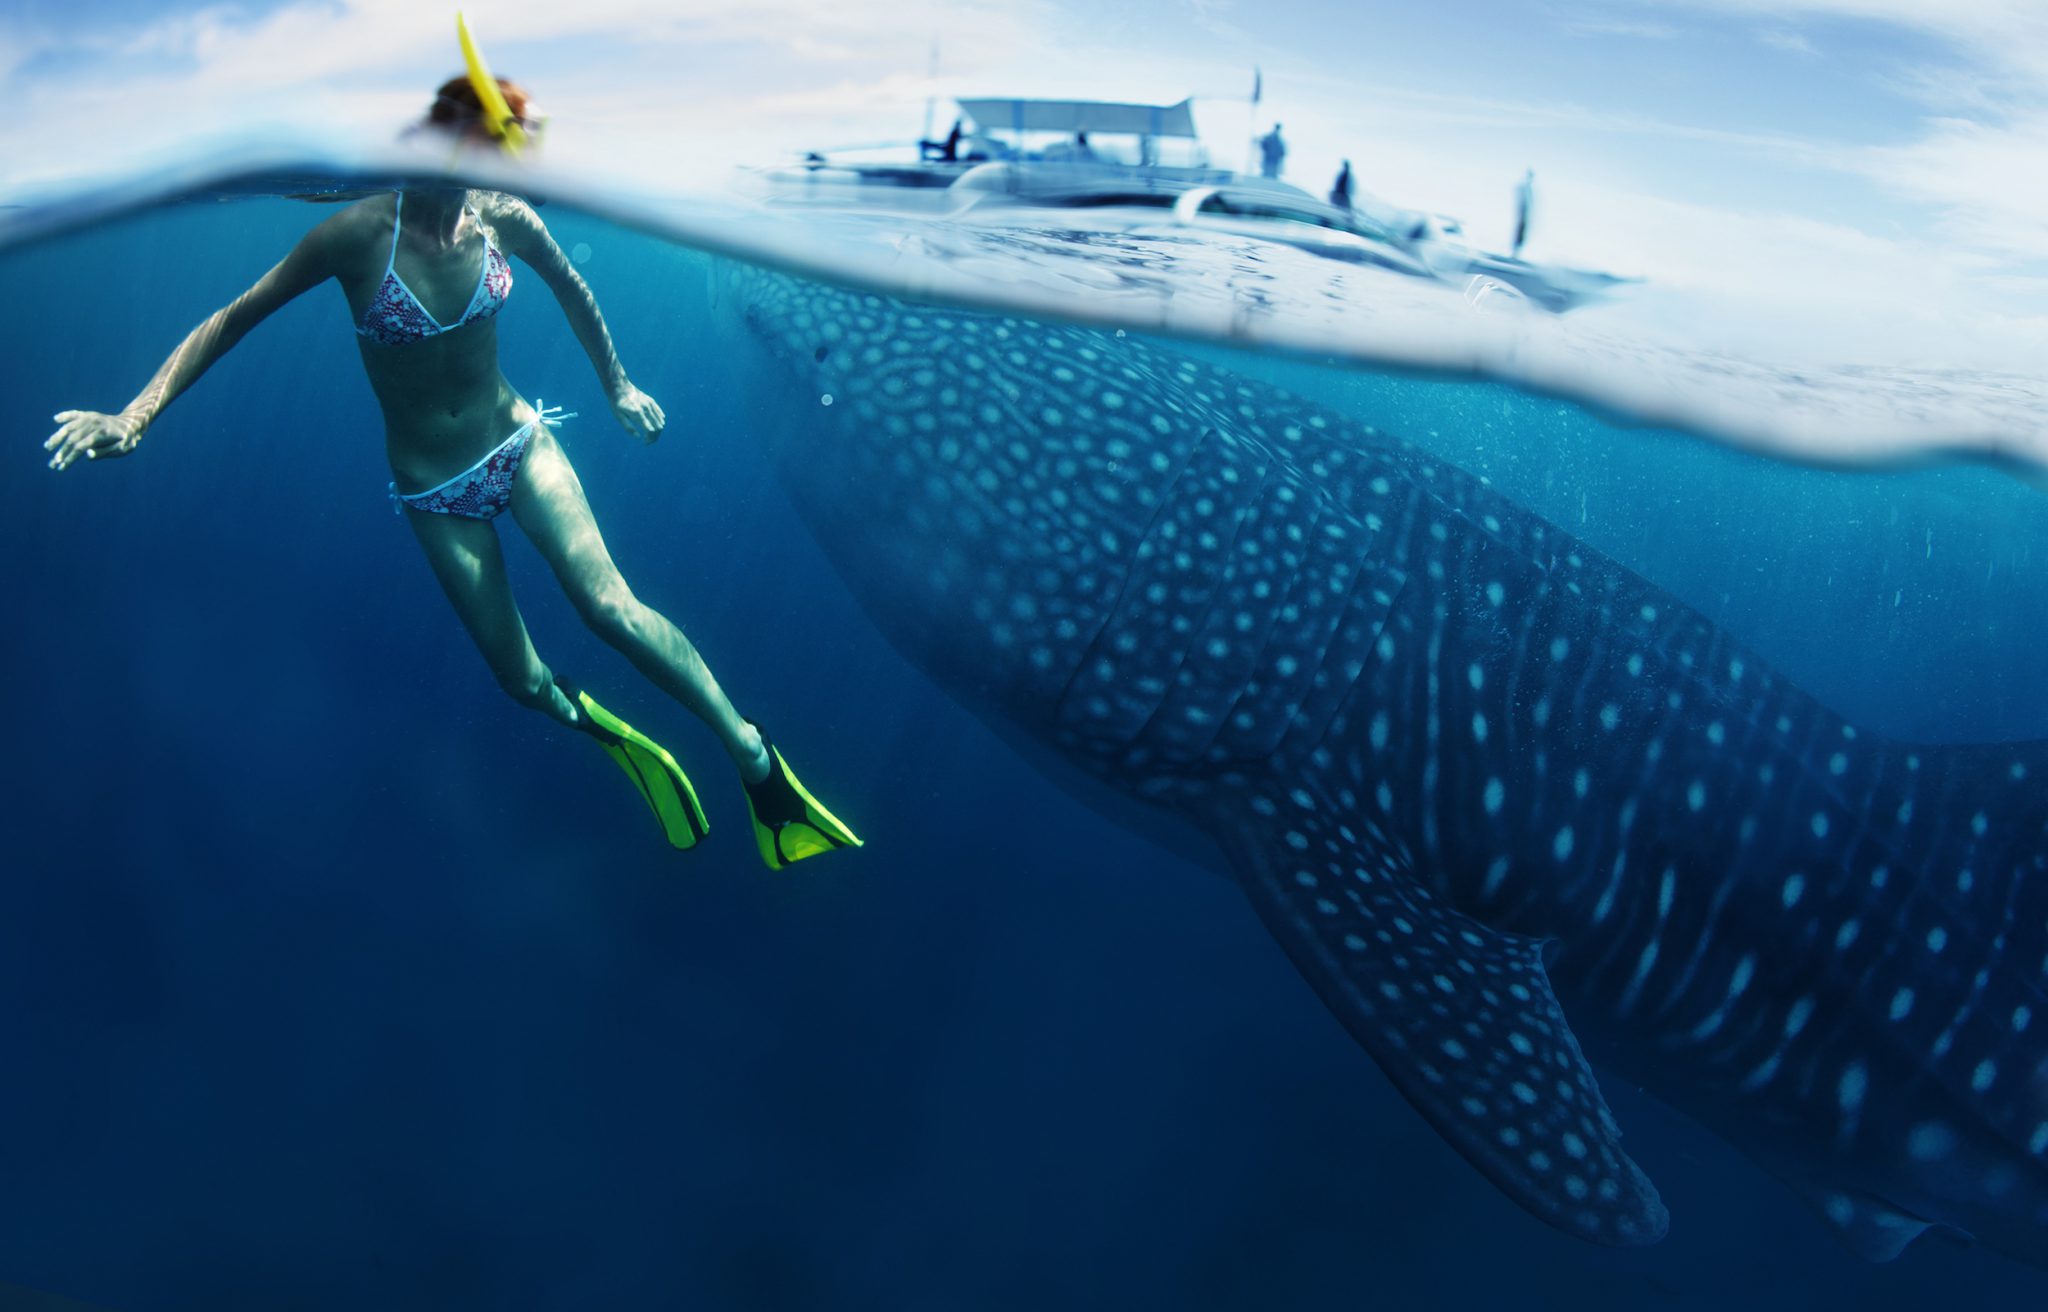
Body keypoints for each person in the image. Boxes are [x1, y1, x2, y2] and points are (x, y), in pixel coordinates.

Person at [42, 70, 861, 869]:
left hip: (519, 444)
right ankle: (607, 729)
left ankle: (757, 763)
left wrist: (617, 385)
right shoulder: (359, 236)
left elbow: (573, 286)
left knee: (610, 607)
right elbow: (234, 317)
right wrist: (135, 415)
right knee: (521, 681)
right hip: (436, 491)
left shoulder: (502, 218)